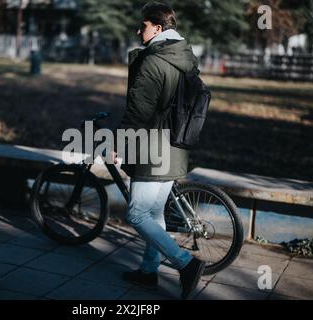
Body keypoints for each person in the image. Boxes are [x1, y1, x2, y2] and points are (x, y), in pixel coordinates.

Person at [109, 2, 206, 300]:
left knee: (137, 214)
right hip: (176, 146)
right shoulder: (185, 57)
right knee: (154, 212)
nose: (139, 30)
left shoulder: (153, 62)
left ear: (158, 28)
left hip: (151, 147)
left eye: (144, 25)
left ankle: (185, 263)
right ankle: (149, 272)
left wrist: (118, 143)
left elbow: (138, 112)